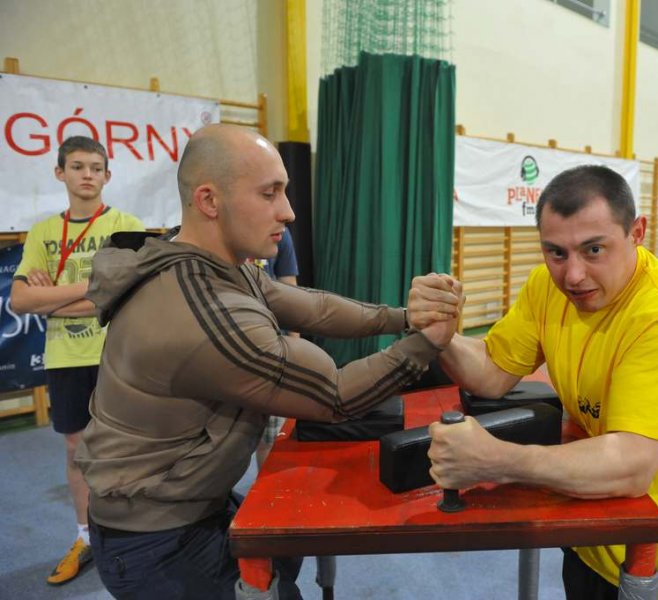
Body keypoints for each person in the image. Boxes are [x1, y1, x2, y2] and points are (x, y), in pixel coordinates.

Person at [74, 123, 460, 599]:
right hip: (157, 542)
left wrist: (405, 317)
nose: (289, 211)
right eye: (269, 193)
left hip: (184, 506)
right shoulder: (204, 312)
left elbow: (313, 307)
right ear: (210, 201)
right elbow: (334, 394)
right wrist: (428, 341)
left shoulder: (213, 263)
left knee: (284, 553)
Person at [420, 165, 658, 599]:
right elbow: (491, 372)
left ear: (637, 232)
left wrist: (498, 461)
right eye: (556, 252)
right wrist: (442, 337)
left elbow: (632, 466)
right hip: (586, 525)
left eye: (594, 250)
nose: (573, 276)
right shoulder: (548, 286)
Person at [10, 136, 145, 586]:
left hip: (118, 354)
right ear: (60, 173)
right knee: (77, 449)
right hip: (65, 357)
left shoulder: (127, 225)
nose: (87, 174)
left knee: (128, 444)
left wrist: (50, 299)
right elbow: (20, 299)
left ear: (108, 175)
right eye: (77, 166)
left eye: (95, 167)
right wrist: (92, 291)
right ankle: (86, 535)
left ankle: (136, 530)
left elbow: (126, 293)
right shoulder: (43, 233)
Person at [251, 228, 300, 468]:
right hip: (226, 353)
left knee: (270, 439)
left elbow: (290, 291)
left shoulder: (281, 233)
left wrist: (295, 346)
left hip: (271, 351)